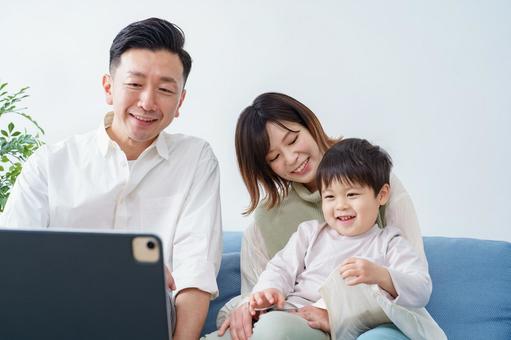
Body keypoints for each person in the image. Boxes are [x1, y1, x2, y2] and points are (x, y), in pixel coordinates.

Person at [0, 18, 222, 340]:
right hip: (55, 316)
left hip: (147, 321)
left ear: (180, 103)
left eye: (164, 90)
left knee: (146, 296)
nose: (147, 102)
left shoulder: (196, 160)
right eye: (134, 84)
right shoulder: (50, 164)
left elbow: (195, 272)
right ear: (108, 87)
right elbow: (12, 261)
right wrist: (125, 275)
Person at [209, 92, 425, 340]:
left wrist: (336, 318)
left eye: (292, 140)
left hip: (362, 321)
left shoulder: (375, 190)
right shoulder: (299, 229)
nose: (291, 158)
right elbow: (275, 275)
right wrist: (251, 303)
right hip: (292, 318)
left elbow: (413, 284)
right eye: (275, 157)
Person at [247, 138, 433, 339]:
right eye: (329, 197)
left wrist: (381, 275)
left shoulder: (390, 242)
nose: (340, 205)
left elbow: (421, 289)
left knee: (273, 328)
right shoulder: (309, 233)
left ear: (382, 195)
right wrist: (269, 290)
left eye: (352, 194)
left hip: (334, 325)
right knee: (256, 326)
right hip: (295, 313)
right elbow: (280, 268)